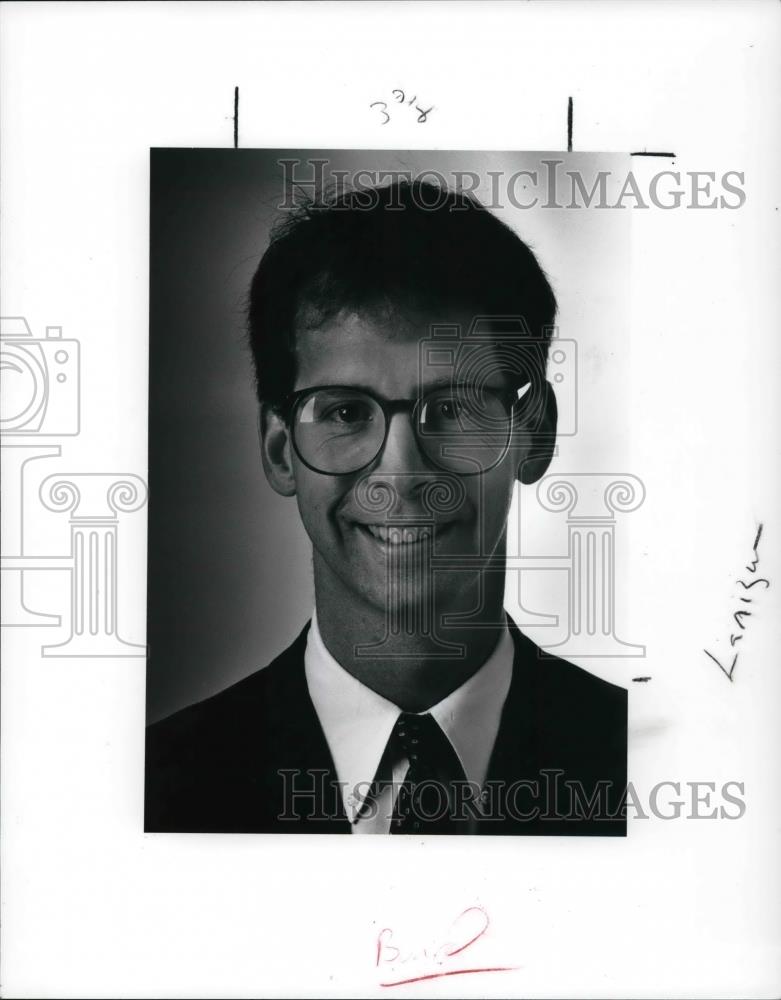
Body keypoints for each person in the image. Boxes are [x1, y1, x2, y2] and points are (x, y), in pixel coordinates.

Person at [145, 179, 627, 835]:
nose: (399, 475)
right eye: (345, 412)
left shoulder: (641, 762)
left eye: (451, 408)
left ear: (533, 434)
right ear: (281, 449)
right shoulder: (153, 788)